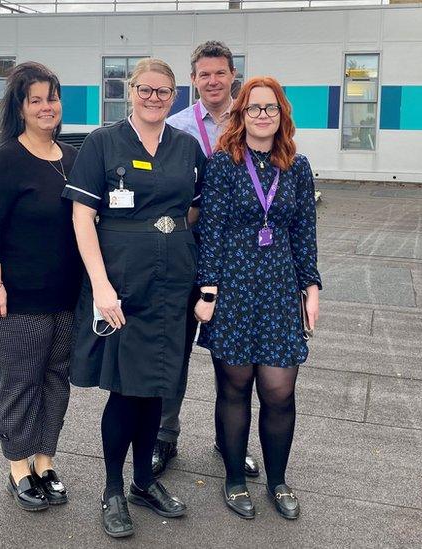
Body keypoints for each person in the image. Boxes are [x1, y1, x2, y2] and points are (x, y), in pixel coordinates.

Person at [61, 58, 206, 538]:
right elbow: (83, 217)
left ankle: (144, 480)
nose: (154, 98)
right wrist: (101, 285)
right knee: (125, 389)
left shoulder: (186, 147)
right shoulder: (102, 142)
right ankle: (112, 489)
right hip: (123, 282)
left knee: (158, 386)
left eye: (164, 92)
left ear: (174, 96)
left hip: (173, 284)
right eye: (146, 89)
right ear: (131, 91)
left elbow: (196, 212)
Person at [194, 77, 321, 520]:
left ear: (282, 114)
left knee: (280, 390)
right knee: (235, 389)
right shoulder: (223, 165)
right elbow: (210, 232)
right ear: (241, 114)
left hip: (280, 293)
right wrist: (207, 291)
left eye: (270, 108)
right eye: (254, 108)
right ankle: (232, 478)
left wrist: (312, 287)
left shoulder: (298, 167)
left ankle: (278, 480)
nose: (263, 115)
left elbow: (305, 230)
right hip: (232, 291)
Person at [0, 61, 82, 512]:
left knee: (57, 379)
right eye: (36, 100)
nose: (46, 107)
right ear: (20, 107)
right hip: (14, 300)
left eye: (52, 98)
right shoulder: (4, 160)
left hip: (64, 296)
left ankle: (45, 460)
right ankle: (18, 465)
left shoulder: (72, 158)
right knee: (20, 380)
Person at [157, 40, 260, 480]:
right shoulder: (176, 126)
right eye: (204, 74)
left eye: (220, 73)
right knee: (172, 351)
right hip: (185, 254)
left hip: (238, 261)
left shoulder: (255, 122)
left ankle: (229, 440)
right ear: (193, 79)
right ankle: (165, 438)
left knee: (232, 356)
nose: (213, 81)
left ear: (232, 75)